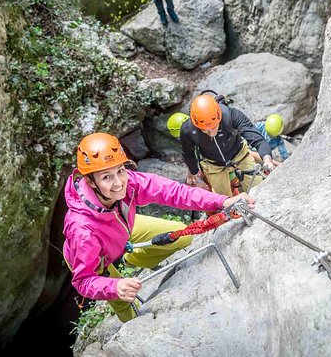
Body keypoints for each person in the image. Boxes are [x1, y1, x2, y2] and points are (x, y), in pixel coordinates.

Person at [63, 132, 254, 322]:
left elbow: (172, 192)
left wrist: (223, 201)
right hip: (97, 252)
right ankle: (132, 326)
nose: (118, 182)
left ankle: (132, 259)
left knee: (182, 235)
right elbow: (83, 280)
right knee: (124, 300)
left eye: (120, 171)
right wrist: (115, 287)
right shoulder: (82, 230)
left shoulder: (129, 183)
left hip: (120, 224)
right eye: (106, 177)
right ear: (91, 181)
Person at [179, 94, 275, 197]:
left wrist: (267, 158)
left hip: (240, 155)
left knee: (258, 189)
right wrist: (197, 179)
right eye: (205, 131)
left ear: (219, 116)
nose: (211, 133)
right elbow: (188, 154)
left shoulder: (231, 115)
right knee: (224, 199)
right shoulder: (188, 130)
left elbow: (257, 139)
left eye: (214, 128)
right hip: (213, 164)